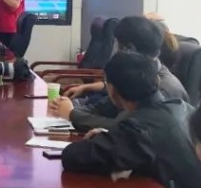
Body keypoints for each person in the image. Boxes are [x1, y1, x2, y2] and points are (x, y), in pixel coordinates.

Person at [60, 52, 201, 188]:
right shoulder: (180, 106)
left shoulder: (139, 129)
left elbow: (73, 156)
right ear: (157, 81)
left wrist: (109, 139)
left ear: (112, 90)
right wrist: (112, 137)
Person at [56, 16, 189, 130]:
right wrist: (67, 109)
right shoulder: (134, 75)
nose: (115, 51)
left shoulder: (161, 88)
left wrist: (72, 115)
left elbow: (128, 128)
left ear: (129, 49)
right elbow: (103, 108)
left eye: (117, 45)